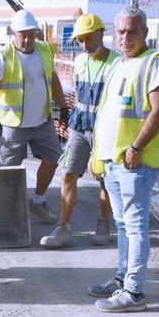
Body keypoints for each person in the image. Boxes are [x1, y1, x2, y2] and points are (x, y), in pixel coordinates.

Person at [86, 6, 159, 313]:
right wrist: (98, 156)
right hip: (113, 161)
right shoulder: (118, 64)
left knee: (135, 226)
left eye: (132, 31)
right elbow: (107, 114)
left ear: (145, 33)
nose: (125, 37)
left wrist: (135, 149)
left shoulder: (154, 64)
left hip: (135, 161)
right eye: (120, 31)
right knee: (123, 225)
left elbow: (158, 112)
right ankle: (122, 279)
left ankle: (134, 292)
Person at [40, 13, 120, 249]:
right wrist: (68, 114)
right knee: (67, 174)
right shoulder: (79, 61)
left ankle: (104, 224)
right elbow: (78, 94)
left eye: (88, 38)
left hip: (103, 130)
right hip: (79, 127)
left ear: (101, 34)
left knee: (104, 179)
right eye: (80, 40)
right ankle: (63, 227)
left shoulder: (116, 63)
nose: (84, 44)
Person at [0, 9, 68, 225]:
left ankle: (37, 202)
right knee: (6, 171)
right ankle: (0, 212)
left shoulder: (44, 50)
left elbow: (54, 80)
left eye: (32, 34)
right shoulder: (2, 56)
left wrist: (63, 108)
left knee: (52, 159)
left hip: (42, 120)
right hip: (12, 124)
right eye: (23, 35)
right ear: (14, 34)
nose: (28, 39)